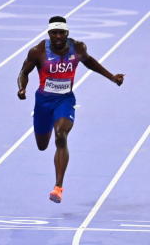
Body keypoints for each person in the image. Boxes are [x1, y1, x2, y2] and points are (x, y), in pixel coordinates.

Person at [17, 16, 125, 203]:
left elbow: (90, 62)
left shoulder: (78, 48)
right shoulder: (38, 51)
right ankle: (48, 123)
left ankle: (58, 187)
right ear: (49, 34)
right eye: (54, 33)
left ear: (67, 33)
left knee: (61, 136)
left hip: (65, 100)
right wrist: (21, 88)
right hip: (43, 102)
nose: (58, 36)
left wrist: (112, 77)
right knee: (42, 146)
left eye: (62, 33)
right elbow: (23, 72)